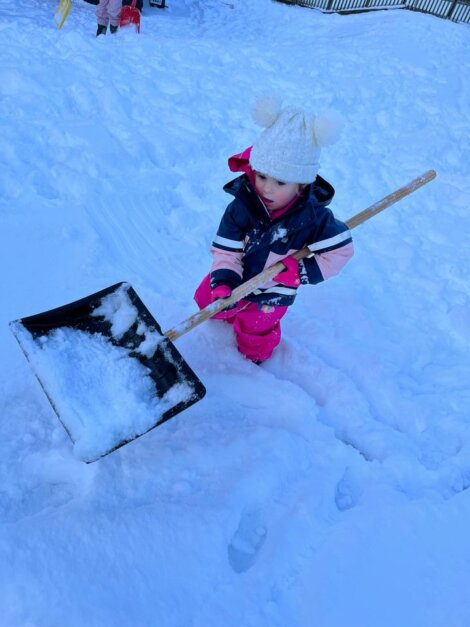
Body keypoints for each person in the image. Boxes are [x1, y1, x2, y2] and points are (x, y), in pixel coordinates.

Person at [194, 95, 354, 364]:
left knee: (257, 328)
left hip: (273, 292)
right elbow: (226, 250)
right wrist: (223, 281)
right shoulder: (241, 207)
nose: (267, 187)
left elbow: (340, 252)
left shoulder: (315, 218)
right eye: (262, 176)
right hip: (235, 277)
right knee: (208, 300)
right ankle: (222, 311)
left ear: (301, 186)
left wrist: (300, 272)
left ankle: (254, 358)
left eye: (280, 182)